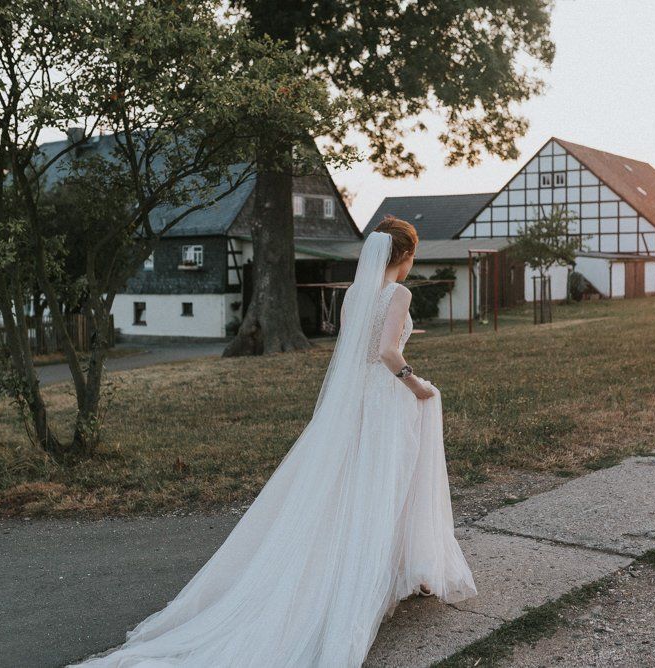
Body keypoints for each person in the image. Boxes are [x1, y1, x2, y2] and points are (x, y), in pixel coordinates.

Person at [71, 216, 476, 667]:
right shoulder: (397, 294)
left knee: (348, 486)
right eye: (411, 258)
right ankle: (378, 573)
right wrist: (415, 383)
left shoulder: (353, 296)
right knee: (387, 483)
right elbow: (386, 352)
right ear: (403, 256)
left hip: (354, 401)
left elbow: (351, 351)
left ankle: (387, 567)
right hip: (383, 400)